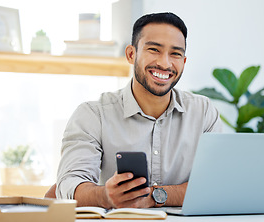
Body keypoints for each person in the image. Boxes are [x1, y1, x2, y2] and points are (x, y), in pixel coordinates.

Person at [49, 12, 222, 208]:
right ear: (131, 54)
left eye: (175, 53)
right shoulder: (93, 115)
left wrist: (155, 196)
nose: (165, 63)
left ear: (183, 62)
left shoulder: (204, 112)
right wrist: (105, 196)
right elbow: (69, 186)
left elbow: (215, 184)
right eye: (154, 49)